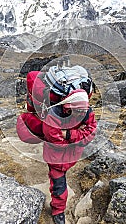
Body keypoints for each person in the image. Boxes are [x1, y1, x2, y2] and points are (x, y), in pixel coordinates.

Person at [42, 89, 97, 224]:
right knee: (59, 185)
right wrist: (79, 136)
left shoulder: (86, 111)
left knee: (60, 180)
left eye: (82, 112)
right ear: (68, 107)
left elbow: (91, 132)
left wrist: (69, 135)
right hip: (55, 159)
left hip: (71, 157)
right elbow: (55, 141)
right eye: (77, 112)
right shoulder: (53, 116)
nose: (80, 115)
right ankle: (58, 212)